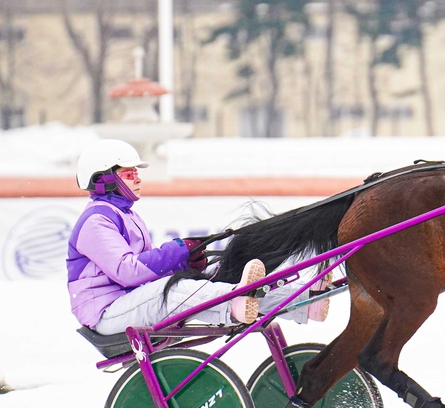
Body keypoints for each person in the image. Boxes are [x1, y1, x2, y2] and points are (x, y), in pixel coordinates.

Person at [66, 138, 318, 335]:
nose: (139, 179)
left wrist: (185, 262)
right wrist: (177, 249)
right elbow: (127, 271)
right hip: (106, 313)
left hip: (128, 302)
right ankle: (233, 305)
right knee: (178, 290)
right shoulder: (96, 221)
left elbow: (147, 271)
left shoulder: (125, 215)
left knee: (207, 284)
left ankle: (305, 301)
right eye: (130, 174)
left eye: (137, 174)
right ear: (104, 179)